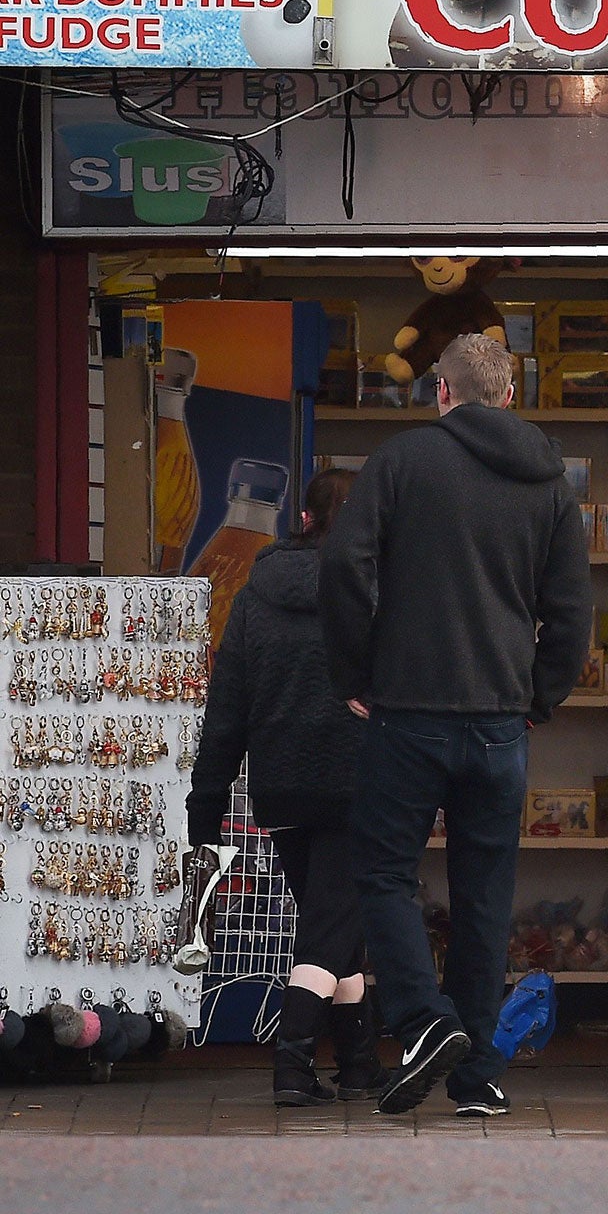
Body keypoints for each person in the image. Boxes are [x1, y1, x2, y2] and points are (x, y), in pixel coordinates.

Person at [321, 334, 592, 1116]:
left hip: (408, 713)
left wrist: (356, 673)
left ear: (441, 392)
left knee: (381, 873)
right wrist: (537, 696)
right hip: (500, 722)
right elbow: (572, 611)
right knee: (483, 900)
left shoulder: (402, 462)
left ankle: (421, 1021)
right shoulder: (548, 483)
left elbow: (344, 566)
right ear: (509, 396)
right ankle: (476, 1079)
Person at [186, 467, 389, 1108]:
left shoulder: (255, 592)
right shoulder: (381, 592)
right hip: (362, 784)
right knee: (329, 933)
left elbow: (228, 707)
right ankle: (292, 1063)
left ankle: (358, 1063)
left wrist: (207, 806)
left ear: (302, 521)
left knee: (337, 928)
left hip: (281, 787)